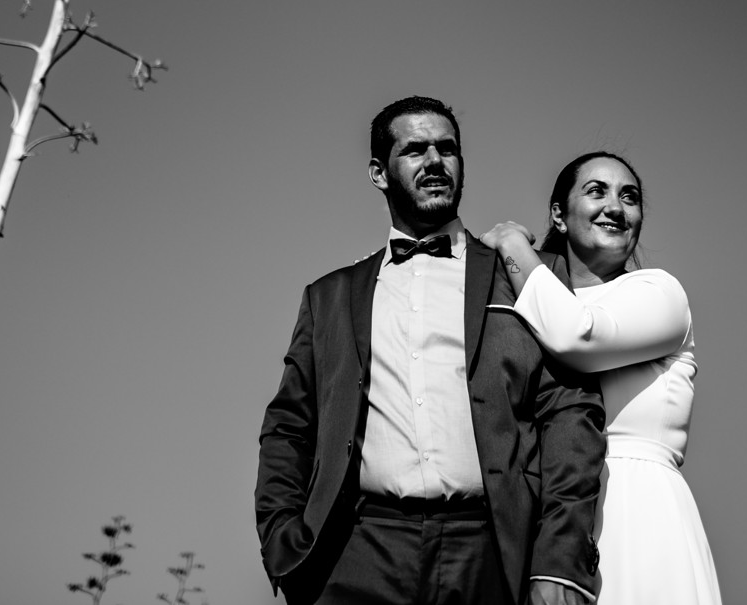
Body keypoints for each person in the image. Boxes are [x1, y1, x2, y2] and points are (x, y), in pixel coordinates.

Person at [256, 96, 607, 605]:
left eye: (447, 148)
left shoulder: (526, 276)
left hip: (492, 550)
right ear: (379, 172)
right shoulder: (328, 297)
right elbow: (289, 426)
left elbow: (571, 413)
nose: (435, 161)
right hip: (357, 552)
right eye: (415, 150)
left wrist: (561, 559)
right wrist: (283, 541)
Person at [480, 152, 723, 605]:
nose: (616, 206)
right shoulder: (534, 300)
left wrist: (513, 245)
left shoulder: (660, 294)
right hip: (547, 510)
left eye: (629, 197)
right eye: (597, 191)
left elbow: (578, 334)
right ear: (559, 214)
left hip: (636, 508)